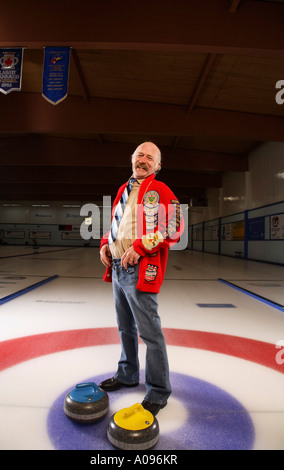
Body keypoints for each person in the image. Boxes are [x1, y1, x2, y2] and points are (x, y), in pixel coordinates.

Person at [99, 141, 184, 416]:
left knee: (150, 332)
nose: (143, 159)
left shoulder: (161, 190)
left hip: (139, 269)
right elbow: (116, 221)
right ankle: (127, 374)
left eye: (150, 157)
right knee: (124, 326)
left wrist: (141, 246)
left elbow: (173, 228)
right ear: (132, 158)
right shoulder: (123, 190)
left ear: (157, 166)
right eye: (139, 154)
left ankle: (158, 391)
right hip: (117, 267)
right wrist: (105, 244)